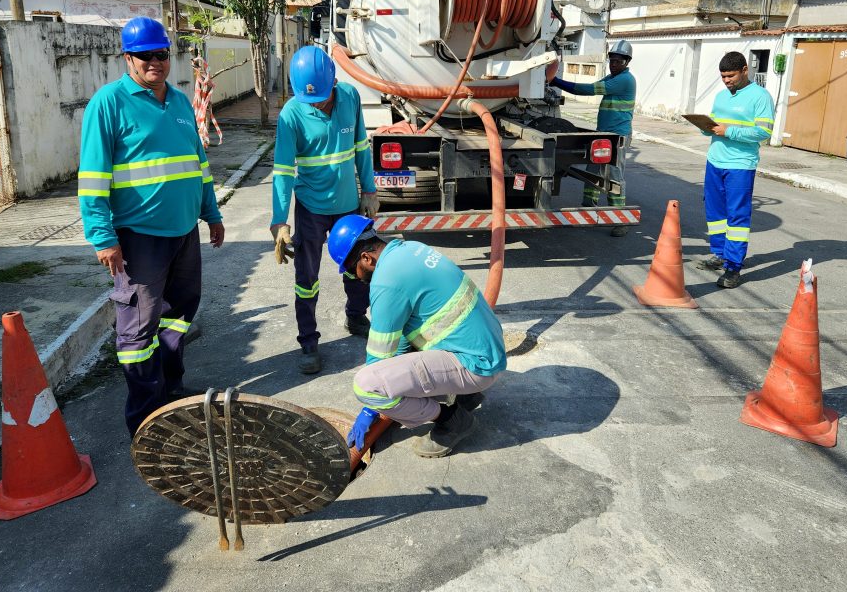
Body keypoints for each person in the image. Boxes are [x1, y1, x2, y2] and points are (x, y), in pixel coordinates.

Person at [78, 17, 224, 437]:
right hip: (139, 237)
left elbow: (198, 166)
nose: (155, 62)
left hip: (183, 233)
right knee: (138, 328)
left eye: (161, 54)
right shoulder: (108, 104)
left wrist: (210, 213)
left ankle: (172, 393)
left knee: (179, 315)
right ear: (128, 58)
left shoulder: (178, 103)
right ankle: (145, 419)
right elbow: (92, 177)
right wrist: (102, 236)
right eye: (145, 56)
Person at [327, 215, 507, 458]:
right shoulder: (410, 249)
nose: (356, 278)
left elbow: (378, 358)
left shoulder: (386, 282)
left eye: (352, 271)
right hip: (488, 346)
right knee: (399, 362)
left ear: (366, 259)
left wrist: (371, 408)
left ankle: (453, 419)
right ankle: (467, 395)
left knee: (367, 385)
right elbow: (401, 331)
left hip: (477, 365)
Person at [270, 45, 379, 375]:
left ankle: (356, 316)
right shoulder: (291, 115)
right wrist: (279, 221)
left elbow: (361, 145)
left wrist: (370, 190)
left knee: (361, 268)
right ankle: (308, 342)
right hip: (311, 209)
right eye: (308, 98)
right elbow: (283, 171)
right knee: (307, 278)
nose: (315, 103)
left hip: (348, 206)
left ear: (333, 82)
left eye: (320, 96)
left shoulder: (350, 98)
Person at [696, 51, 775, 289]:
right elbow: (714, 124)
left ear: (744, 70)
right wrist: (705, 127)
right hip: (715, 161)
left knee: (737, 216)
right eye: (723, 77)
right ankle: (719, 253)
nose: (727, 80)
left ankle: (733, 266)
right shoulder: (721, 96)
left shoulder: (760, 97)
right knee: (715, 213)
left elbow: (764, 132)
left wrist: (728, 131)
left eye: (730, 75)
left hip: (740, 165)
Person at [547, 40, 636, 236]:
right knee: (593, 170)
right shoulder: (612, 77)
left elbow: (587, 90)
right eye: (612, 61)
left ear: (627, 62)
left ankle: (620, 218)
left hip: (617, 135)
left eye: (618, 61)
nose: (614, 64)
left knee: (614, 175)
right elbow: (593, 86)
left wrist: (556, 81)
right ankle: (588, 208)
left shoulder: (624, 80)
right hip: (604, 133)